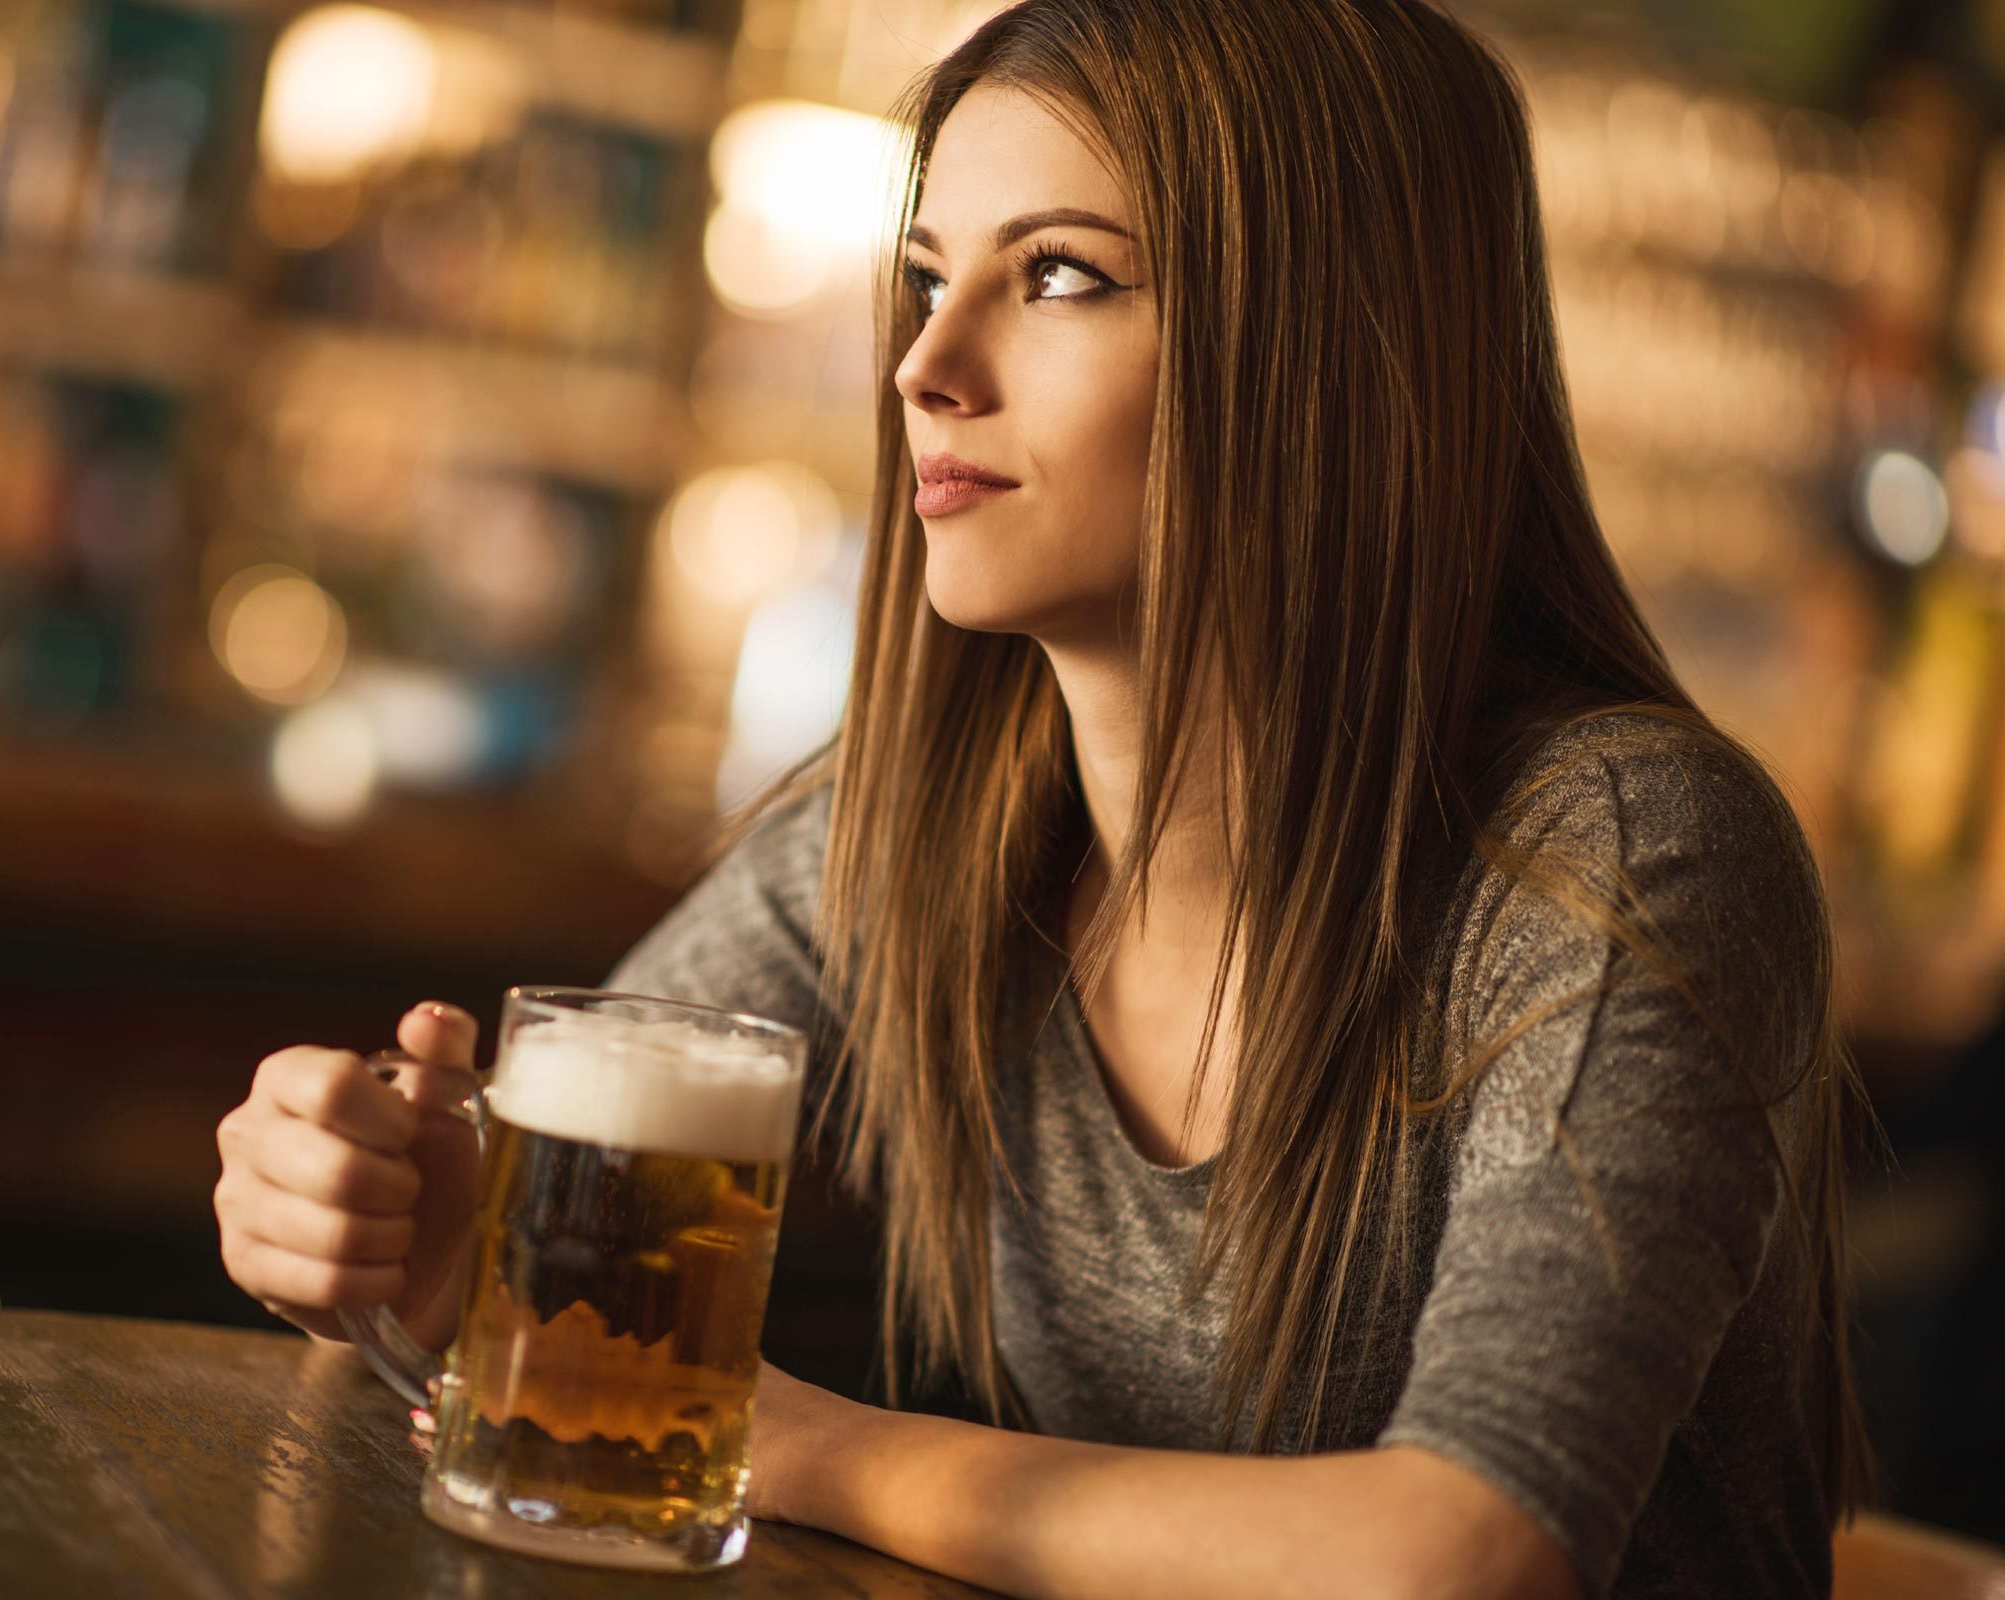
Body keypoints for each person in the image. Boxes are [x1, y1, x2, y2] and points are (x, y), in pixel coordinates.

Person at [212, 1, 1874, 1595]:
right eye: (928, 279)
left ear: (1330, 347)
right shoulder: (921, 832)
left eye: (1062, 276)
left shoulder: (1621, 856)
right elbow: (547, 1281)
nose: (927, 366)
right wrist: (421, 1254)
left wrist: (790, 1444)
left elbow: (1455, 1558)